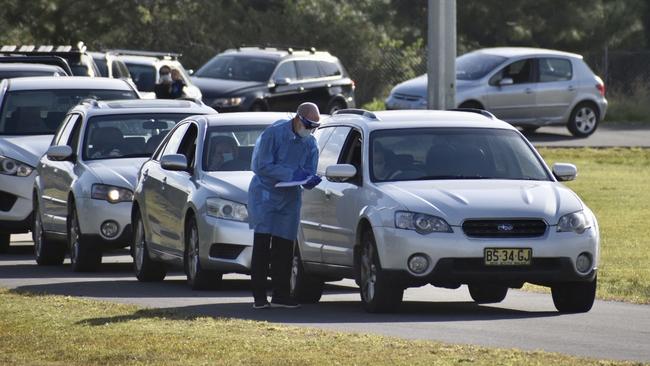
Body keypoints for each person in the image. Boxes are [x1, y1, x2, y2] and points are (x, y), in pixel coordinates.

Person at [248, 102, 322, 309]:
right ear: (297, 119)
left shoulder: (310, 144)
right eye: (308, 125)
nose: (310, 130)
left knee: (285, 248)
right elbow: (261, 165)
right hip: (265, 195)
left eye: (314, 127)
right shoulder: (274, 134)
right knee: (262, 245)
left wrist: (308, 180)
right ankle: (259, 296)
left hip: (290, 198)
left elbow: (309, 169)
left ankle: (281, 294)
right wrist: (290, 174)